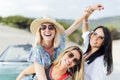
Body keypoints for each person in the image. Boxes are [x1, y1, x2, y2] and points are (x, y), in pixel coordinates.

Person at [16, 4, 104, 80]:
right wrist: (21, 75)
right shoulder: (37, 51)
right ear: (40, 31)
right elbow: (41, 77)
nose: (47, 30)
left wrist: (90, 10)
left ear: (55, 31)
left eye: (51, 27)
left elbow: (75, 25)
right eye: (43, 27)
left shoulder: (60, 40)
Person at [82, 6, 113, 80]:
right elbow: (85, 31)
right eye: (95, 34)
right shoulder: (89, 46)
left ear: (104, 42)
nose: (96, 38)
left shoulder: (100, 61)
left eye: (101, 37)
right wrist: (86, 17)